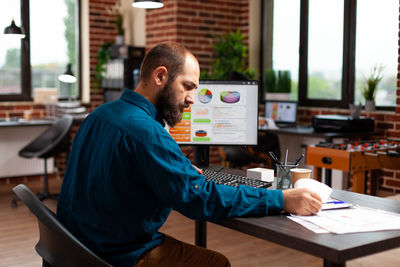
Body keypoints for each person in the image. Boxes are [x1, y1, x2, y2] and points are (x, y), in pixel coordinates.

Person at [57, 42, 322, 267]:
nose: (193, 98)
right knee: (215, 263)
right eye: (188, 86)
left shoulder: (100, 114)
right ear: (160, 76)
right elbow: (201, 200)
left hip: (73, 247)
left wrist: (179, 174)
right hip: (115, 256)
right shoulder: (146, 132)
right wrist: (280, 199)